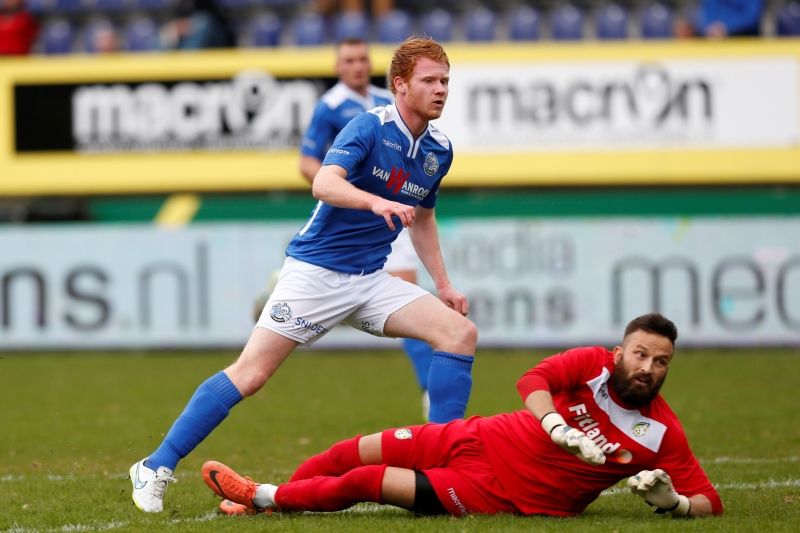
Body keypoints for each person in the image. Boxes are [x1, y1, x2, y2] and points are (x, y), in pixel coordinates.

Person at [129, 36, 477, 514]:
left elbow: (425, 218)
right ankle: (155, 465)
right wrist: (373, 200)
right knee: (250, 375)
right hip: (315, 274)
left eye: (445, 81)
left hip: (369, 280)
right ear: (399, 85)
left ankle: (438, 471)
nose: (441, 90)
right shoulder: (367, 127)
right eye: (429, 81)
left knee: (458, 333)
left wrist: (443, 284)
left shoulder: (438, 149)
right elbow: (322, 182)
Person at [202, 313, 723, 518]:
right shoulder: (591, 364)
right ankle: (267, 510)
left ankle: (262, 495)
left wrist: (675, 503)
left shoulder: (660, 434)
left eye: (661, 361)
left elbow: (711, 504)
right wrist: (558, 427)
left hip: (498, 492)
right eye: (640, 354)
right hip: (474, 436)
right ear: (619, 352)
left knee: (366, 479)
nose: (649, 367)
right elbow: (532, 382)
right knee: (349, 450)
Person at [297, 36, 435, 418]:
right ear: (338, 67)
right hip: (350, 219)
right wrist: (349, 189)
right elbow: (308, 163)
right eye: (349, 61)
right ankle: (281, 293)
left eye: (362, 59)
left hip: (391, 219)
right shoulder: (330, 107)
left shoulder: (385, 102)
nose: (357, 66)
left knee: (412, 296)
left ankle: (428, 390)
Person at [160, 0, 235, 50]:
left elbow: (210, 15)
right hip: (179, 33)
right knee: (166, 34)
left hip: (217, 34)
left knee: (203, 23)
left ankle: (184, 68)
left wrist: (187, 25)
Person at [675, 0, 764, 38]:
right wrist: (710, 27)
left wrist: (725, 28)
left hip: (746, 44)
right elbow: (707, 13)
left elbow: (752, 17)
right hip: (716, 45)